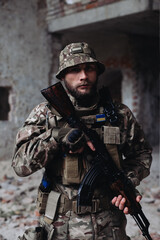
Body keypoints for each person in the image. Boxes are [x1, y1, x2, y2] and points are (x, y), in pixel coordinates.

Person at [12, 42, 152, 240]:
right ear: (62, 76)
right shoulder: (45, 114)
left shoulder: (119, 114)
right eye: (75, 70)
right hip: (60, 227)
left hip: (109, 227)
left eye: (89, 69)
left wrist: (127, 181)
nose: (83, 76)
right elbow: (20, 165)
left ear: (97, 72)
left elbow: (142, 154)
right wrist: (56, 138)